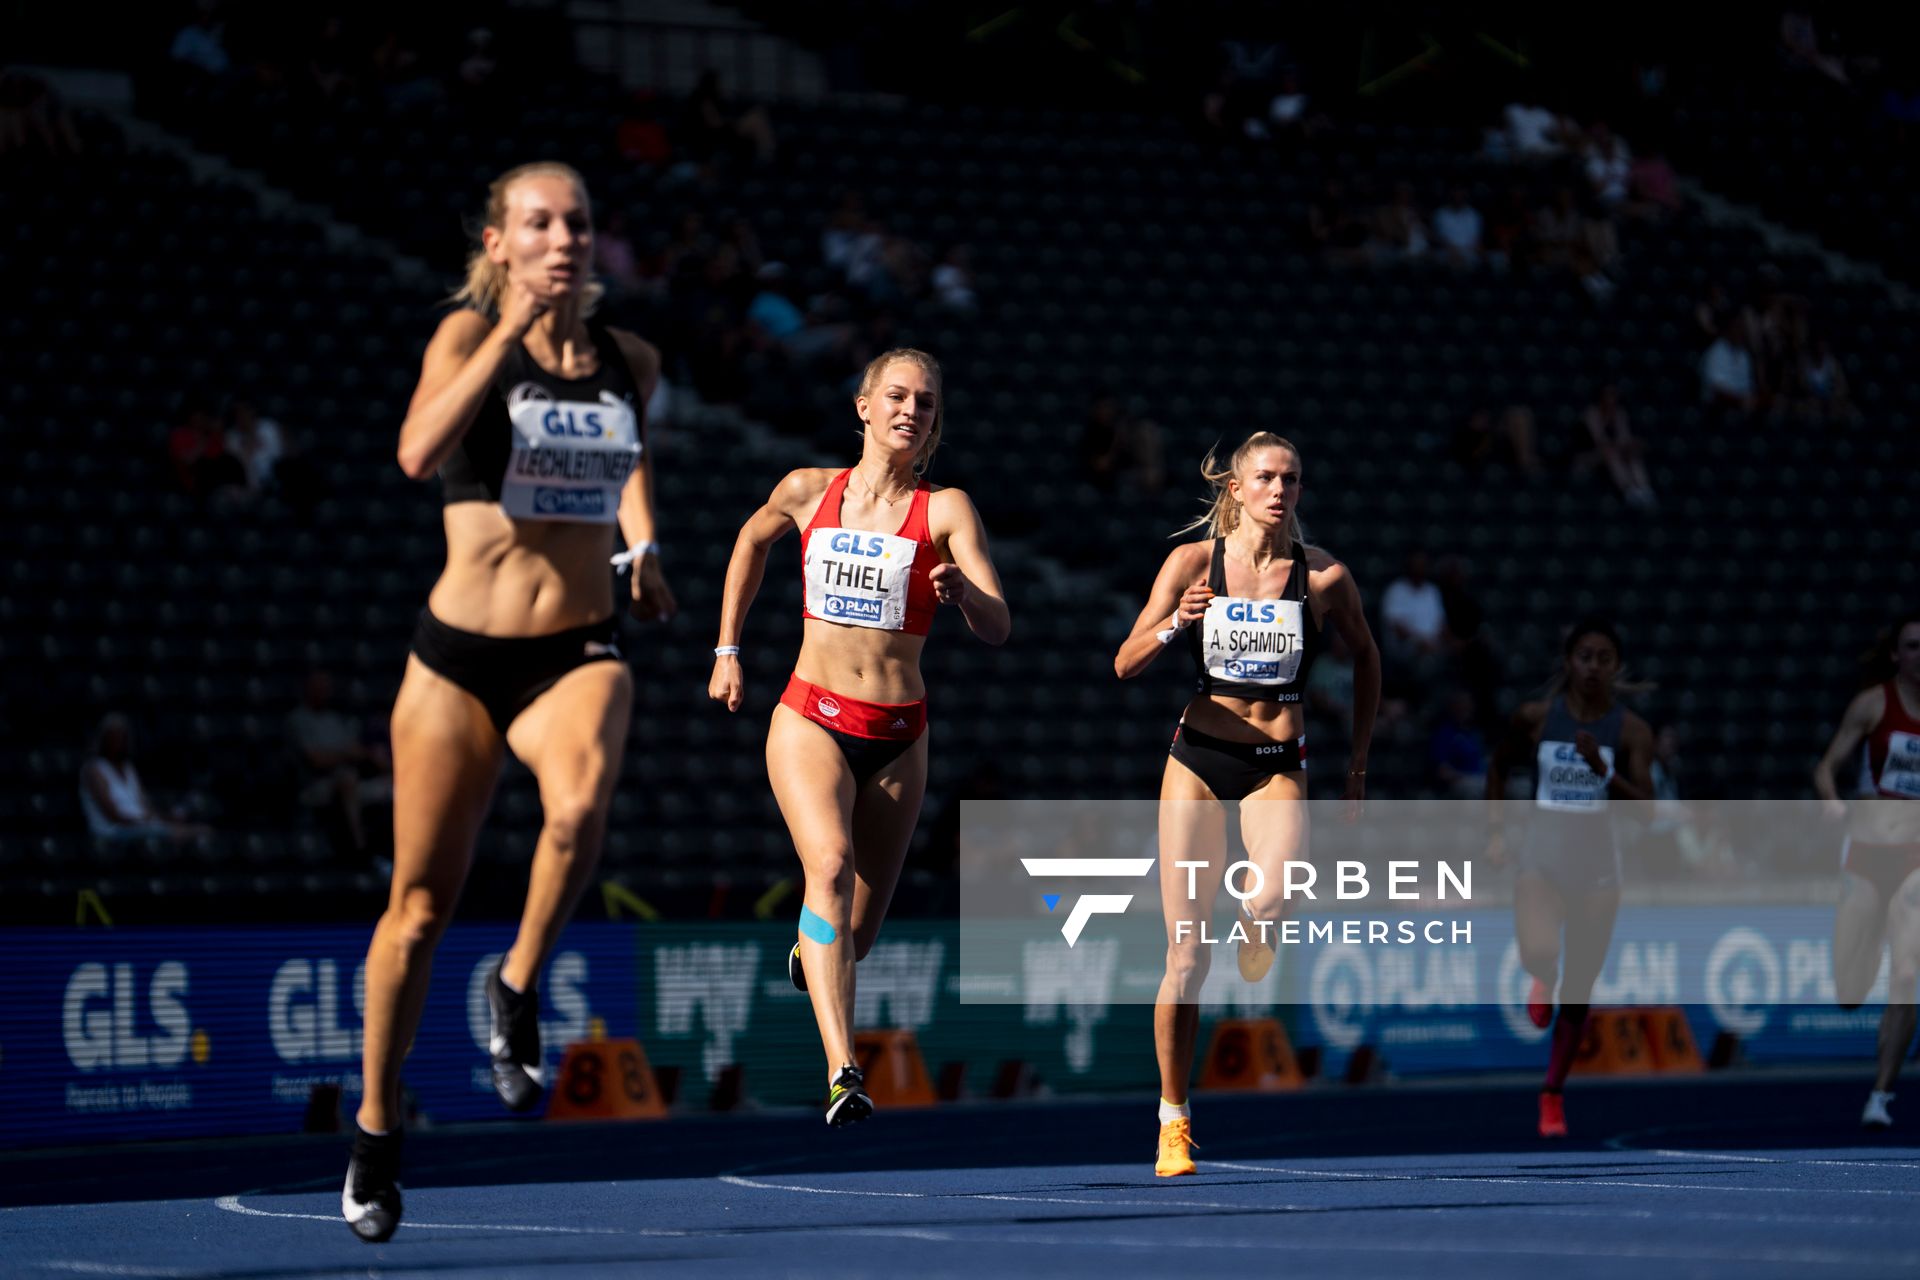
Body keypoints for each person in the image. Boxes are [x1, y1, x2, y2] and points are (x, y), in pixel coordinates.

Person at [342, 162, 675, 1244]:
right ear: (499, 243)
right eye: (538, 222)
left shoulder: (631, 361)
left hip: (575, 646)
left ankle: (519, 981)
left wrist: (644, 546)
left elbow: (625, 457)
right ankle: (378, 1128)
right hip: (454, 661)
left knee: (579, 807)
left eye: (577, 220)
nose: (562, 237)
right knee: (419, 908)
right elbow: (413, 450)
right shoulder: (461, 338)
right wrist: (506, 332)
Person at [710, 348, 1009, 1127]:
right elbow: (750, 543)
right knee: (830, 868)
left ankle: (817, 950)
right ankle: (845, 1069)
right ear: (864, 406)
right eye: (899, 397)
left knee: (858, 931)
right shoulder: (809, 491)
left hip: (900, 735)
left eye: (929, 404)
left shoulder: (947, 511)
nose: (914, 411)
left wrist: (963, 592)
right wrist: (728, 650)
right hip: (808, 717)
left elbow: (999, 624)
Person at [1114, 432, 1379, 1177]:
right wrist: (1178, 622)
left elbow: (1368, 657)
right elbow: (1125, 662)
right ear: (1234, 487)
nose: (1279, 490)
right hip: (1199, 760)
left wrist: (1357, 765)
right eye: (1265, 477)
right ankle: (1174, 1118)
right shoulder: (1193, 565)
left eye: (1291, 479)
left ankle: (1257, 925)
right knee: (1187, 956)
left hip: (1276, 764)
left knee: (1272, 893)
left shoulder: (1322, 577)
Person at [1486, 619, 1653, 1139]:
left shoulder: (1631, 731)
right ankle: (1543, 971)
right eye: (1585, 656)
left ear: (1615, 668)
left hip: (1599, 871)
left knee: (1580, 990)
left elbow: (1647, 810)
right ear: (1568, 662)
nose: (1593, 667)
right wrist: (1495, 831)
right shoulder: (1536, 718)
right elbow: (1497, 770)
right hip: (1542, 858)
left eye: (1604, 658)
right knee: (1539, 949)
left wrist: (1602, 771)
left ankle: (1552, 1092)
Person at [1813, 614, 1920, 1128]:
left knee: (1907, 974)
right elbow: (1825, 767)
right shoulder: (1873, 705)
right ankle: (1871, 939)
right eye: (1913, 646)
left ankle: (1881, 1094)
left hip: (1915, 859)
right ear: (1897, 655)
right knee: (1849, 993)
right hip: (1867, 855)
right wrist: (1832, 801)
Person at [78, 713, 210, 850]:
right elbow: (113, 816)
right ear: (104, 740)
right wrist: (145, 822)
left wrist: (164, 818)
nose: (118, 743)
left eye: (121, 738)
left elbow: (143, 805)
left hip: (140, 826)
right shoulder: (94, 769)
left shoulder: (128, 768)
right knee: (173, 834)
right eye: (113, 738)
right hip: (112, 830)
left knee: (201, 830)